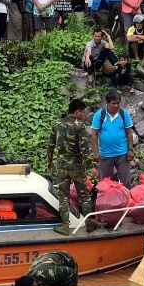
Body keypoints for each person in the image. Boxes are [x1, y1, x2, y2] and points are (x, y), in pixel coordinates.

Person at [46, 98, 97, 236]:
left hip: (61, 166)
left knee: (63, 197)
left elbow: (51, 144)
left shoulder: (56, 124)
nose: (84, 115)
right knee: (84, 196)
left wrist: (49, 161)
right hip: (77, 167)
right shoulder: (79, 126)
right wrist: (91, 166)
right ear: (78, 111)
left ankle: (65, 226)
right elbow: (84, 149)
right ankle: (89, 223)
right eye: (83, 112)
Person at [90, 90, 134, 189]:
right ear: (107, 103)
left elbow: (129, 132)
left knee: (126, 182)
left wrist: (130, 150)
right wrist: (96, 152)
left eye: (118, 103)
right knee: (105, 183)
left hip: (122, 153)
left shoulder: (124, 114)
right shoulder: (99, 115)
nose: (116, 106)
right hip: (105, 154)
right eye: (113, 103)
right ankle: (107, 203)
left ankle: (127, 202)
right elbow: (94, 134)